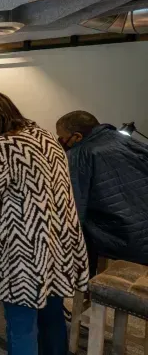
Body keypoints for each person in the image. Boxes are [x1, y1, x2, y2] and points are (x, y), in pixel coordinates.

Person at [0, 90, 88, 355]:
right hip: (58, 243)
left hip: (24, 251)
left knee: (21, 323)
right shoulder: (47, 138)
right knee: (52, 314)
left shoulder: (3, 145)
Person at [56, 110, 148, 270]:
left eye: (62, 138)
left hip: (120, 240)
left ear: (77, 137)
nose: (60, 142)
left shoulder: (79, 155)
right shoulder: (127, 141)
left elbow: (75, 208)